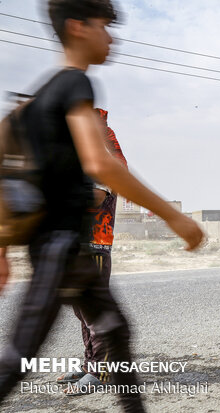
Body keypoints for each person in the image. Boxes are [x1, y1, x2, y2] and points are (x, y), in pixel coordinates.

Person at [0, 1, 204, 412]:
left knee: (114, 329)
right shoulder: (76, 85)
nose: (111, 39)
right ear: (77, 27)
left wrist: (2, 248)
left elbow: (12, 175)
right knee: (20, 355)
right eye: (103, 27)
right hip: (60, 249)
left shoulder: (35, 99)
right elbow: (100, 164)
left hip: (70, 249)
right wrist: (174, 216)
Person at [55, 108, 128, 391]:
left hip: (94, 246)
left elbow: (95, 197)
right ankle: (90, 365)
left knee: (95, 314)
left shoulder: (105, 159)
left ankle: (102, 373)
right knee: (83, 313)